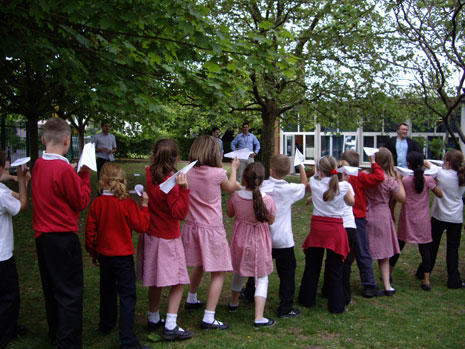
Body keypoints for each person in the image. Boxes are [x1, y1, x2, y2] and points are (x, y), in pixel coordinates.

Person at [31, 117, 91, 348]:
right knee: (69, 293)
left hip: (42, 237)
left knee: (52, 288)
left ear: (44, 139)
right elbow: (81, 200)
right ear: (67, 141)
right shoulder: (64, 169)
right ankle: (67, 342)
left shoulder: (39, 164)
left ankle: (56, 332)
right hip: (63, 238)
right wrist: (83, 175)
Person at [85, 162, 150, 349]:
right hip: (123, 258)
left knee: (107, 292)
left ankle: (106, 324)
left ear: (102, 182)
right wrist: (144, 207)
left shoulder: (97, 203)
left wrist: (92, 251)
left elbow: (90, 232)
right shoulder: (127, 204)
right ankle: (128, 339)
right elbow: (141, 226)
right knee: (127, 296)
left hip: (105, 256)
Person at [181, 136, 241, 330]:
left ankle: (191, 298)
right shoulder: (218, 173)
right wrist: (234, 168)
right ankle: (209, 317)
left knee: (199, 263)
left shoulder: (186, 173)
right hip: (212, 229)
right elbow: (232, 188)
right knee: (219, 270)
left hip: (192, 226)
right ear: (214, 152)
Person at [137, 139, 193, 341]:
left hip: (151, 235)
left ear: (154, 156)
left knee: (155, 280)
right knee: (178, 281)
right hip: (168, 238)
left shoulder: (149, 174)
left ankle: (153, 317)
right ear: (176, 158)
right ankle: (170, 324)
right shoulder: (171, 184)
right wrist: (184, 189)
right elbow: (179, 213)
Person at [298, 156, 354, 314]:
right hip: (335, 229)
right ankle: (336, 305)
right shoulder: (343, 186)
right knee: (336, 268)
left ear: (320, 171)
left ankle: (307, 299)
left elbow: (305, 185)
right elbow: (351, 202)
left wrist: (301, 166)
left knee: (312, 264)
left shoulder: (315, 183)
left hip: (318, 228)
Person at [227, 162, 277, 328]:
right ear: (262, 181)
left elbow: (229, 213)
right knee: (262, 277)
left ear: (243, 178)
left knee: (239, 271)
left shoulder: (236, 196)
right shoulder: (267, 200)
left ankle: (234, 303)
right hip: (259, 240)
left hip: (240, 238)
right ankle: (259, 317)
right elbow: (271, 220)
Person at [389, 151, 442, 291]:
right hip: (423, 219)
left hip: (407, 218)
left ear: (409, 164)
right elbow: (440, 194)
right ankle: (426, 280)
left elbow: (395, 198)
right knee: (424, 249)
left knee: (398, 246)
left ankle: (388, 274)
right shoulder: (427, 180)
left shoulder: (405, 181)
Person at [263, 154, 308, 318]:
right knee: (287, 275)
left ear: (271, 170)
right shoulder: (290, 189)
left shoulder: (263, 186)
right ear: (288, 172)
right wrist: (301, 165)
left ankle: (250, 294)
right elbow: (304, 185)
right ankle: (286, 307)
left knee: (259, 270)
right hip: (283, 239)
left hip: (264, 237)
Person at [416, 150, 465, 289]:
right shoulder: (461, 176)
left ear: (448, 163)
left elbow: (426, 163)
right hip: (456, 217)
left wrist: (432, 163)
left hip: (439, 216)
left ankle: (424, 272)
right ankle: (454, 280)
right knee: (453, 249)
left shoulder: (441, 173)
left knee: (432, 246)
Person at [341, 150, 385, 298]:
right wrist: (373, 161)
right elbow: (380, 177)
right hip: (357, 218)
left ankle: (338, 280)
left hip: (342, 219)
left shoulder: (340, 177)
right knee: (363, 251)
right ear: (358, 164)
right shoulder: (359, 177)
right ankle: (369, 285)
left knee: (344, 251)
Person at [365, 148, 405, 296]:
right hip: (382, 215)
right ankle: (387, 286)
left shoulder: (367, 176)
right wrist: (399, 180)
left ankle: (367, 282)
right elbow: (402, 198)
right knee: (384, 254)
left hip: (367, 213)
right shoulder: (389, 180)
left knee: (364, 250)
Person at [0, 150, 28, 348]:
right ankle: (4, 333)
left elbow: (16, 195)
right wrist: (20, 179)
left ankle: (10, 326)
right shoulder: (0, 194)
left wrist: (16, 180)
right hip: (1, 255)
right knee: (9, 296)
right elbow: (23, 204)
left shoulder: (1, 189)